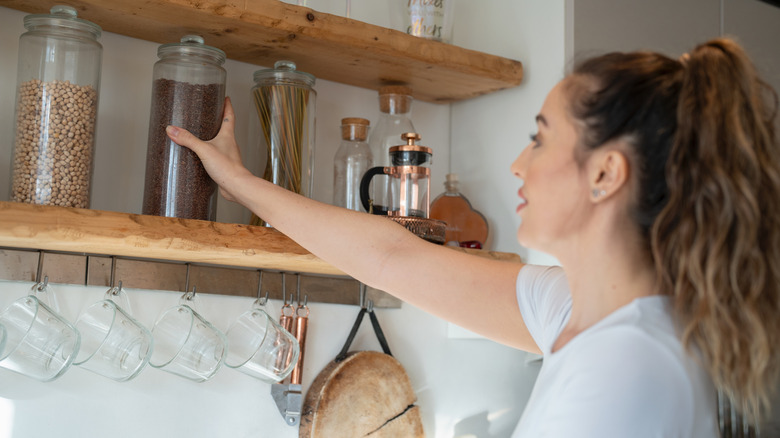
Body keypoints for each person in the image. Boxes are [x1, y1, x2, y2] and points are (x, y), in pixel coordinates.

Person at [165, 37, 780, 437]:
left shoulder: (629, 365)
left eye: (539, 138)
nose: (518, 163)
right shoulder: (580, 313)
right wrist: (240, 183)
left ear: (604, 173)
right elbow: (392, 255)